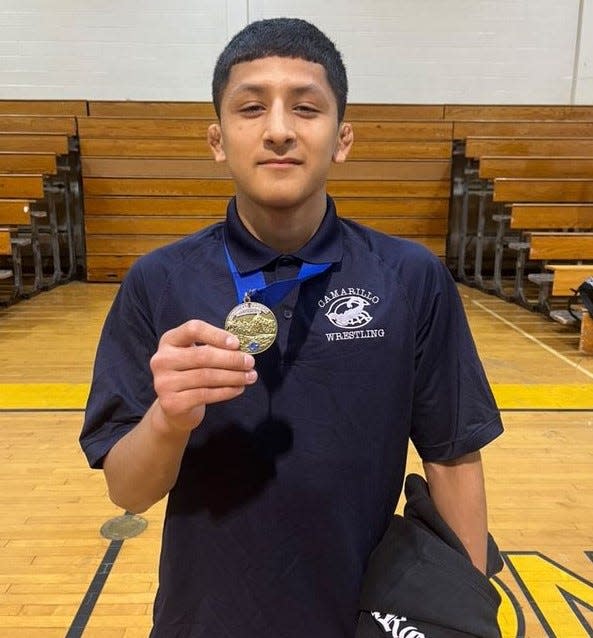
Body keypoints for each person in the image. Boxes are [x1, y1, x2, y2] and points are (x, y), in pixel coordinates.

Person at [80, 17, 504, 638]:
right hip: (203, 620)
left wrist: (463, 614)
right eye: (251, 108)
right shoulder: (158, 281)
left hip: (364, 614)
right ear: (217, 138)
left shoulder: (410, 277)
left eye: (306, 108)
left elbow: (452, 457)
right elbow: (128, 493)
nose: (279, 130)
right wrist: (167, 421)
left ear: (343, 138)